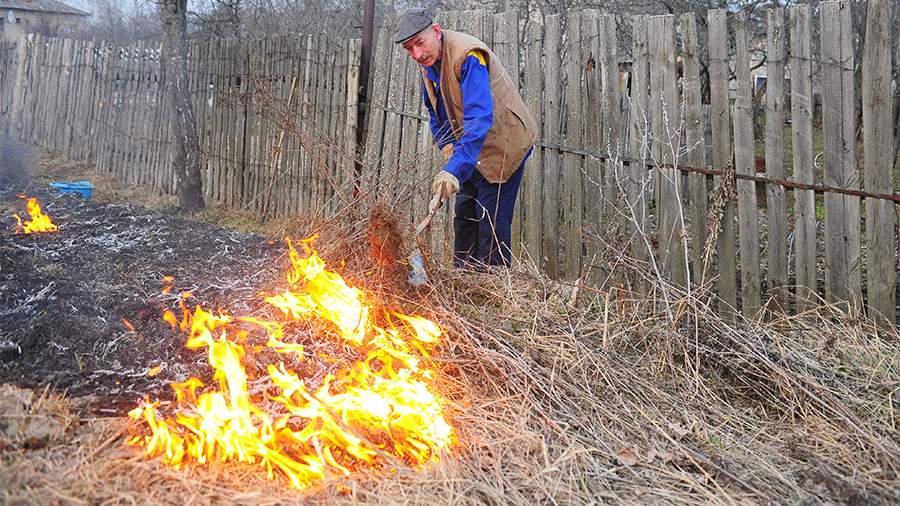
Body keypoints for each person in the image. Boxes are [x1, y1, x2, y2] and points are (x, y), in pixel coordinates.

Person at [394, 7, 537, 267]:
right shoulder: (428, 63)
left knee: (490, 220)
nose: (416, 54)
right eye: (408, 49)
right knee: (464, 216)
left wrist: (455, 169)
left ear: (436, 31)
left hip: (503, 144)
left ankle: (493, 290)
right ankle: (462, 283)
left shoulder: (468, 57)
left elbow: (480, 118)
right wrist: (447, 145)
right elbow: (434, 109)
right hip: (470, 148)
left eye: (419, 43)